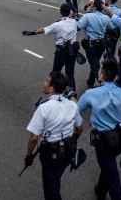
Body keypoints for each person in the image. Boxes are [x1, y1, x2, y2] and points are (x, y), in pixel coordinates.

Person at [76, 60, 121, 200]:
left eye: (100, 69)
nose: (98, 71)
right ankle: (100, 191)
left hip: (102, 142)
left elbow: (76, 110)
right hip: (119, 138)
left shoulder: (91, 93)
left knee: (113, 177)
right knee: (108, 165)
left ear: (102, 74)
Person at [24, 72, 83, 200]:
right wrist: (71, 140)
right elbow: (79, 128)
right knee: (56, 176)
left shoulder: (43, 108)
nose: (44, 82)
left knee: (51, 191)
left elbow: (34, 138)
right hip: (68, 151)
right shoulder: (72, 105)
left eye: (46, 80)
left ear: (51, 89)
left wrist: (29, 155)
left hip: (51, 154)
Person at [23, 4, 80, 91]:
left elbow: (43, 30)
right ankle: (73, 95)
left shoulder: (57, 25)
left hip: (61, 52)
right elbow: (78, 25)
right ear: (69, 12)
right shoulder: (74, 22)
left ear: (60, 12)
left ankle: (54, 91)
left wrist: (32, 33)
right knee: (70, 74)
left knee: (55, 73)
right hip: (72, 52)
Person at [77, 0, 113, 89]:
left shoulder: (87, 16)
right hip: (101, 44)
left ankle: (105, 86)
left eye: (92, 4)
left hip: (91, 45)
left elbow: (78, 27)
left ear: (95, 7)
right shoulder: (105, 17)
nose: (90, 5)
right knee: (94, 63)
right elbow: (111, 27)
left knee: (95, 65)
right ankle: (90, 81)